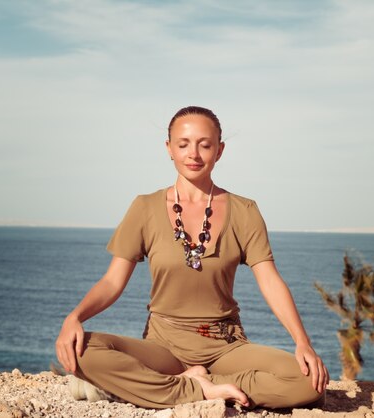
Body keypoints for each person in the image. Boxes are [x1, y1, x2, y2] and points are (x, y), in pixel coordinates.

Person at [55, 106, 329, 410]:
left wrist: (302, 342)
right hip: (164, 346)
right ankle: (197, 388)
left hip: (226, 345)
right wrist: (74, 317)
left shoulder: (245, 211)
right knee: (82, 350)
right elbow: (112, 281)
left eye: (205, 144)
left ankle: (194, 383)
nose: (193, 154)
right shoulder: (144, 208)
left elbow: (270, 281)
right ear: (169, 149)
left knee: (309, 382)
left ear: (219, 150)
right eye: (183, 144)